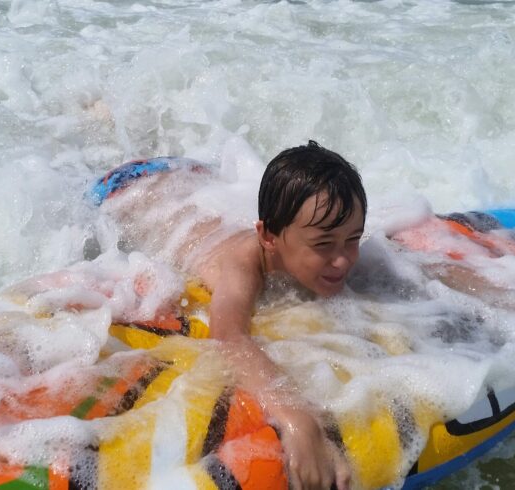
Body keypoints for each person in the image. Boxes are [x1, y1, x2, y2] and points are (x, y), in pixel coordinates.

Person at [92, 141, 365, 490]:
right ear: (268, 236)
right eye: (324, 245)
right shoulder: (243, 264)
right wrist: (298, 419)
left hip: (187, 177)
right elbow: (229, 335)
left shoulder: (313, 238)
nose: (343, 259)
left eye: (353, 239)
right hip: (125, 188)